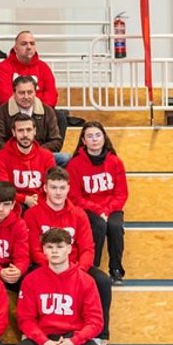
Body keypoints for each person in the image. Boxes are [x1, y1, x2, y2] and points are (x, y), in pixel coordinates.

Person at [24, 167, 115, 345]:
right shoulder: (33, 214)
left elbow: (88, 248)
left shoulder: (79, 214)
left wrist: (77, 271)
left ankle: (100, 338)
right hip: (45, 265)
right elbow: (34, 249)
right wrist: (52, 268)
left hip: (75, 266)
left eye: (62, 188)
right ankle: (32, 334)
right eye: (53, 187)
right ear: (45, 188)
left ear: (68, 188)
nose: (58, 192)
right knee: (26, 278)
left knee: (103, 281)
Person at [66, 121, 128, 283]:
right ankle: (93, 267)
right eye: (90, 136)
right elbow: (74, 197)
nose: (94, 139)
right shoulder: (74, 164)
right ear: (83, 141)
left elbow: (121, 194)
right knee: (99, 226)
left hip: (111, 208)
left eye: (98, 135)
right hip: (87, 209)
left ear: (104, 138)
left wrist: (107, 210)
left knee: (115, 226)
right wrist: (98, 210)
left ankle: (116, 269)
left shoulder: (115, 162)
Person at [0, 75, 65, 164]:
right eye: (21, 93)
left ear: (35, 92)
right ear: (14, 93)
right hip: (12, 157)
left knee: (64, 158)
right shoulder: (2, 112)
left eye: (30, 92)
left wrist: (35, 151)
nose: (26, 96)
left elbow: (56, 141)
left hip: (40, 156)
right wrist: (18, 152)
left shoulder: (47, 111)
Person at [0, 115, 56, 209]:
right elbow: (3, 189)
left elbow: (52, 184)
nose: (25, 134)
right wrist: (24, 199)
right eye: (20, 130)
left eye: (29, 130)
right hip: (13, 203)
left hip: (39, 201)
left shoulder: (47, 156)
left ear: (34, 131)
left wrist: (38, 198)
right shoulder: (1, 156)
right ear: (13, 132)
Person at [0, 30, 58, 108]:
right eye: (24, 44)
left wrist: (38, 109)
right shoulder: (4, 67)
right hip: (12, 111)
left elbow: (51, 94)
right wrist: (23, 110)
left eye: (32, 43)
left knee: (60, 115)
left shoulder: (43, 67)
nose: (29, 47)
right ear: (15, 49)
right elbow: (4, 95)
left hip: (40, 110)